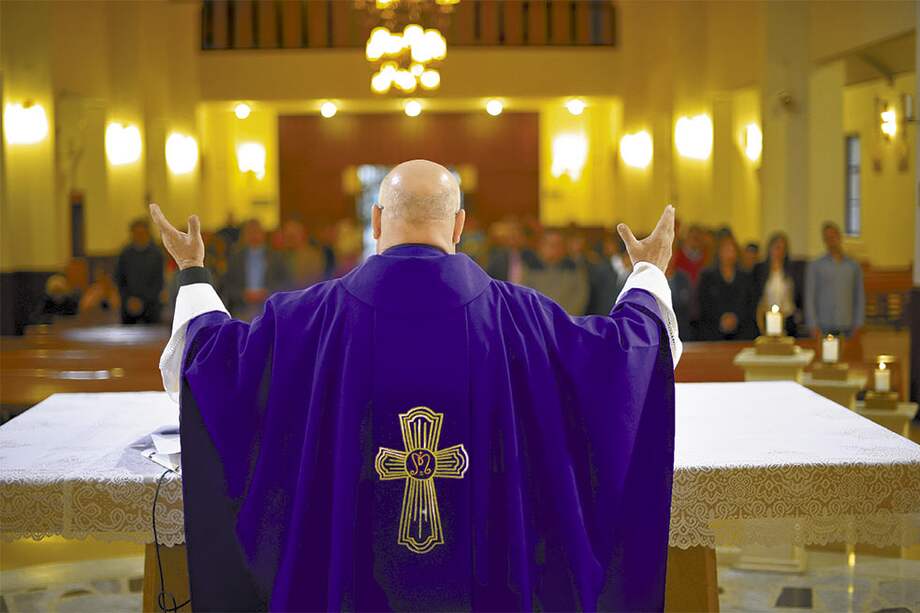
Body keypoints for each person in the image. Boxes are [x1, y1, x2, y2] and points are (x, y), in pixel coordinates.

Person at [152, 159, 681, 611]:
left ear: (377, 221)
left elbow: (218, 365)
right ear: (459, 226)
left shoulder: (309, 319)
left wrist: (194, 274)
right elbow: (619, 361)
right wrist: (648, 275)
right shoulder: (523, 319)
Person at [805, 222, 865, 338]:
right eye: (827, 238)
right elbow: (810, 297)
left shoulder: (853, 266)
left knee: (848, 356)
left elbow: (859, 296)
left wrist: (859, 323)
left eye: (833, 236)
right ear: (824, 241)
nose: (831, 240)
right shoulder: (815, 266)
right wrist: (812, 324)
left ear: (840, 237)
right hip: (823, 326)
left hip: (847, 325)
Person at [223, 219, 290, 318]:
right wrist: (243, 295)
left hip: (269, 309)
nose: (254, 236)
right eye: (250, 232)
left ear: (263, 234)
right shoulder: (235, 258)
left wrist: (267, 293)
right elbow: (228, 286)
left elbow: (285, 283)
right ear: (244, 236)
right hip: (242, 309)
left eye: (257, 232)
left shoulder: (276, 258)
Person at [697, 233, 757, 341]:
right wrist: (721, 319)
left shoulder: (746, 277)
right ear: (718, 252)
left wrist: (735, 319)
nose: (729, 254)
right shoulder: (707, 277)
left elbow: (750, 304)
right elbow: (704, 304)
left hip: (742, 331)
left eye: (732, 250)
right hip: (713, 330)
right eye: (725, 250)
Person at [521, 229, 590, 315]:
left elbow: (580, 297)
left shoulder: (574, 268)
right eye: (549, 244)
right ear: (540, 246)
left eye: (557, 244)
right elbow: (524, 296)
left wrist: (564, 318)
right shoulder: (529, 267)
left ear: (563, 247)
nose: (553, 248)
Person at [115, 218, 164, 324]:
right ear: (132, 234)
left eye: (142, 233)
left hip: (151, 306)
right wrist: (129, 299)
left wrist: (143, 300)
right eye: (137, 233)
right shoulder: (125, 254)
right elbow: (120, 280)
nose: (140, 236)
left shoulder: (156, 255)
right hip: (128, 305)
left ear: (147, 234)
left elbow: (158, 282)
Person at [752, 232, 799, 337]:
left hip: (788, 318)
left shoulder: (792, 270)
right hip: (766, 319)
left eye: (783, 248)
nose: (779, 251)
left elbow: (797, 295)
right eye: (777, 247)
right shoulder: (759, 270)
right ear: (770, 248)